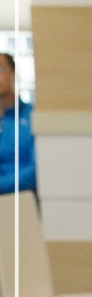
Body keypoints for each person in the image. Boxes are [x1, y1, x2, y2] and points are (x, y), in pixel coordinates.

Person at [0, 52, 36, 198]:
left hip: (23, 199)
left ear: (13, 75)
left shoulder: (31, 116)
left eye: (0, 70)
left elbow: (37, 169)